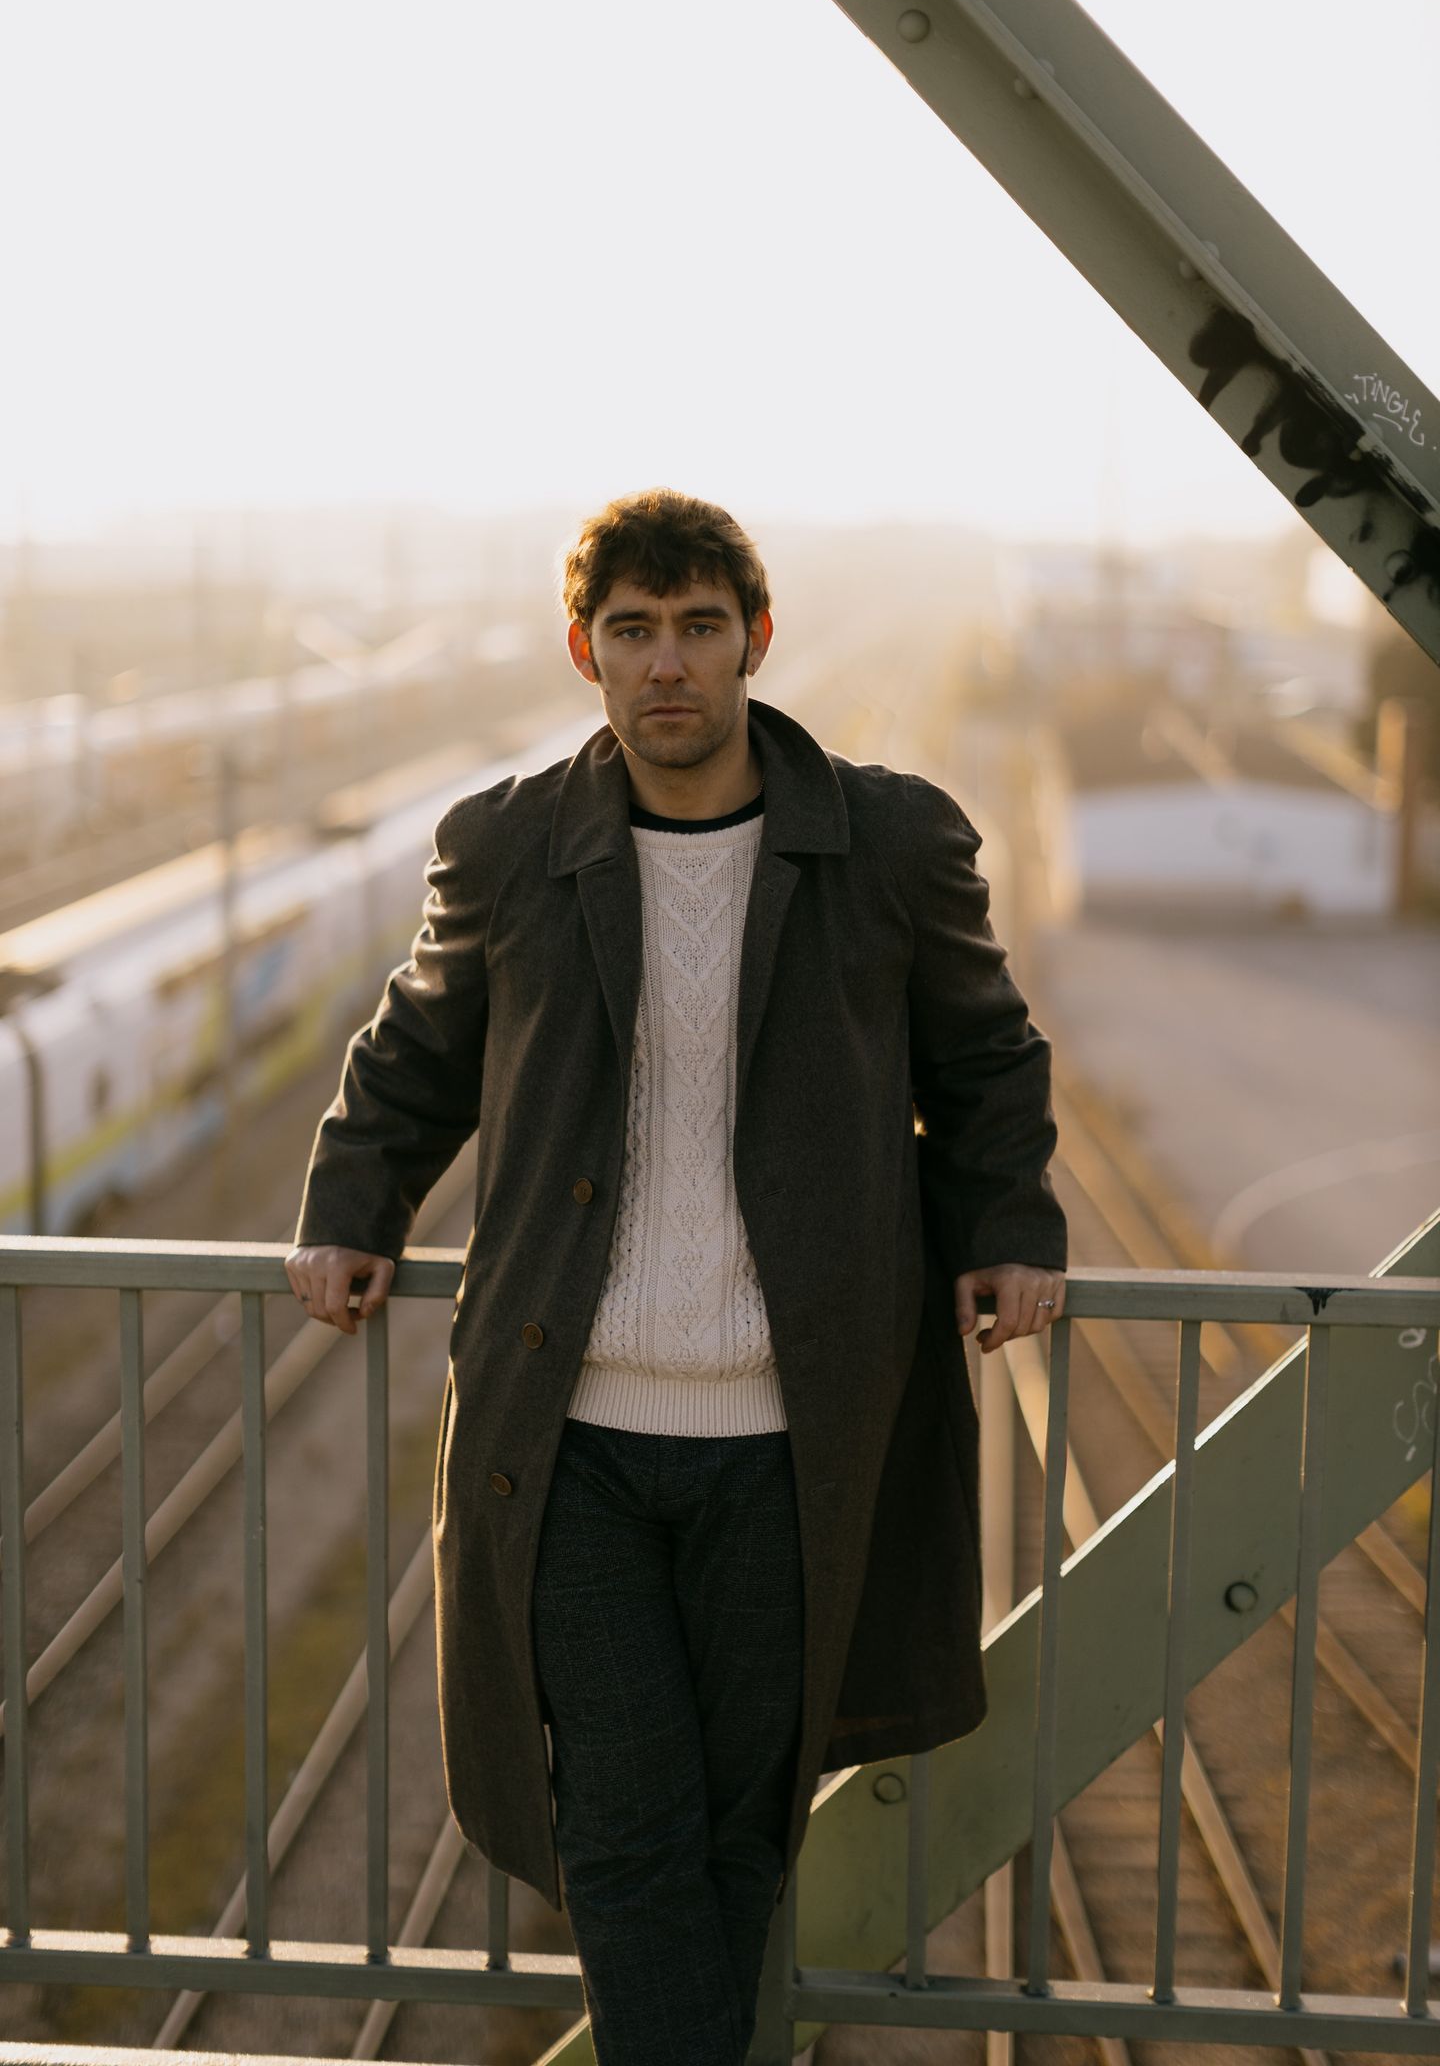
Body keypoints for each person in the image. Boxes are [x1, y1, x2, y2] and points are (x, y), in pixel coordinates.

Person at [286, 488, 1067, 2066]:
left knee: (736, 1841)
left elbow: (987, 1057)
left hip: (792, 1442)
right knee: (625, 1834)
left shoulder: (888, 843)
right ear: (584, 650)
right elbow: (416, 1053)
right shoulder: (509, 846)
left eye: (700, 627)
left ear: (755, 639)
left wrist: (1011, 1222)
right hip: (571, 1444)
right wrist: (350, 1203)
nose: (667, 665)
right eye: (633, 631)